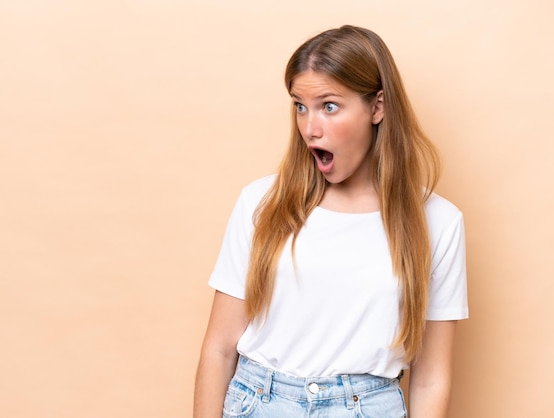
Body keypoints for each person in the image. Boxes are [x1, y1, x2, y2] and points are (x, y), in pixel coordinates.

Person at [194, 25, 468, 418]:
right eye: (300, 106)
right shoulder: (262, 203)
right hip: (260, 403)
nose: (310, 128)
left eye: (329, 106)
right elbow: (219, 349)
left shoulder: (438, 222)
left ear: (378, 107)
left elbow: (431, 378)